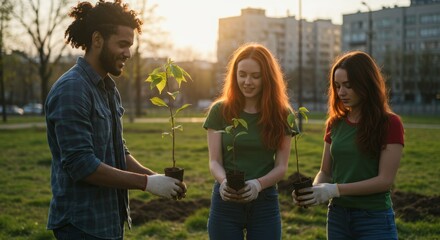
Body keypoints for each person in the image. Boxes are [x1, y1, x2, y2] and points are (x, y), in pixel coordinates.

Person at [45, 1, 186, 239]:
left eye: (130, 46)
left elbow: (118, 150)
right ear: (97, 39)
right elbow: (82, 165)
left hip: (109, 221)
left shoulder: (108, 88)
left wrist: (155, 180)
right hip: (81, 225)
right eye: (122, 44)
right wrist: (146, 183)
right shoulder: (72, 90)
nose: (128, 53)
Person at [292, 51, 404, 239]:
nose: (341, 92)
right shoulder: (335, 123)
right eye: (337, 86)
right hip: (338, 217)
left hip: (374, 219)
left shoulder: (390, 123)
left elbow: (385, 181)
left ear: (366, 84)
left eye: (348, 86)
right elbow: (325, 172)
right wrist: (314, 192)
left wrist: (334, 190)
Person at [203, 43, 295, 240]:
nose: (247, 81)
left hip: (265, 203)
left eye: (256, 76)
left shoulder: (282, 114)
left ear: (267, 78)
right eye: (242, 74)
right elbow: (214, 161)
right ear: (234, 75)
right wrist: (224, 181)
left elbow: (281, 167)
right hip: (226, 200)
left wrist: (257, 185)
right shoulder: (220, 111)